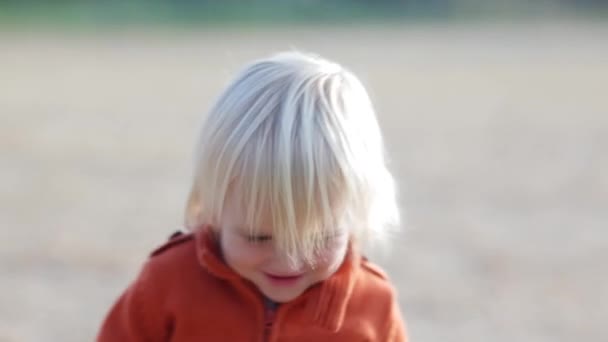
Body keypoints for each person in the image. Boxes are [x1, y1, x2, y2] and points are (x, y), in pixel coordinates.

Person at [97, 51, 407, 341]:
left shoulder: (374, 304)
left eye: (318, 238)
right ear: (212, 210)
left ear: (357, 212)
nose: (289, 261)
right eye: (258, 238)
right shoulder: (168, 282)